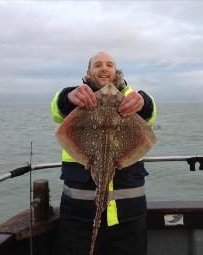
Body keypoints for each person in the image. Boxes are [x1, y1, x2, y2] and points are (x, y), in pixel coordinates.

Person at [51, 52, 156, 255]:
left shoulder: (131, 96)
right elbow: (57, 109)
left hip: (128, 211)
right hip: (79, 210)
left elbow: (150, 116)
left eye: (109, 64)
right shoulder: (77, 97)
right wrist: (68, 97)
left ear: (116, 70)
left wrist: (142, 101)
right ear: (88, 72)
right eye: (97, 65)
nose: (104, 68)